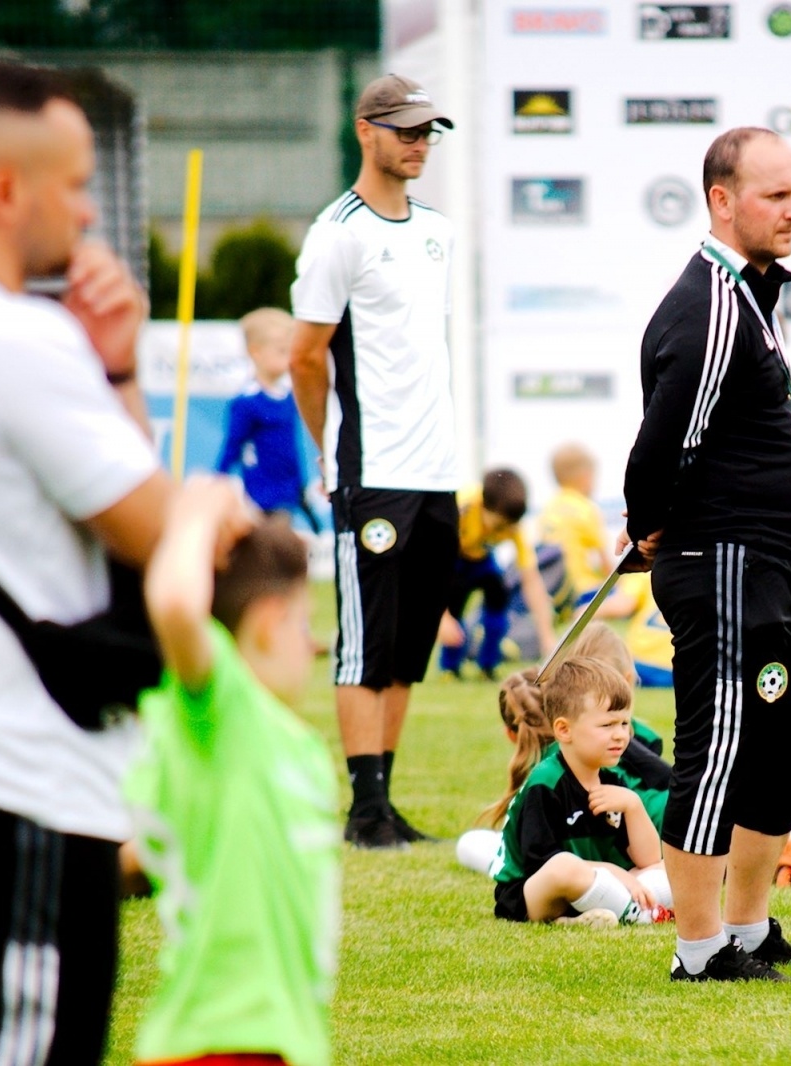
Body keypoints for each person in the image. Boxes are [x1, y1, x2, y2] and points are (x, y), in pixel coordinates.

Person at [0, 59, 170, 1064]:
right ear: (7, 190)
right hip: (25, 792)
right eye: (77, 185)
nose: (89, 215)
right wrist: (119, 368)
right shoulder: (16, 339)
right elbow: (162, 534)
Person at [621, 126, 791, 984]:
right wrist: (648, 521)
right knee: (719, 750)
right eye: (775, 195)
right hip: (724, 561)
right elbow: (661, 441)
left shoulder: (751, 298)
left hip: (771, 560)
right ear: (722, 200)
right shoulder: (710, 302)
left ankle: (746, 928)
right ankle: (699, 949)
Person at [290, 74, 459, 849]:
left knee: (408, 644)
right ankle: (364, 808)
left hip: (435, 473)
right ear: (366, 131)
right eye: (404, 130)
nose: (418, 142)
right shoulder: (338, 232)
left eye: (427, 131)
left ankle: (383, 804)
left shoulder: (439, 230)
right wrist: (331, 451)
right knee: (365, 642)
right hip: (372, 472)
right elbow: (306, 356)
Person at [126, 478, 339, 1066]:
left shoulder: (292, 745)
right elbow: (174, 605)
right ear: (270, 623)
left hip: (287, 1040)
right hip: (220, 1039)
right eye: (303, 623)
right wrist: (200, 509)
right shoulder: (222, 709)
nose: (309, 645)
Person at [488, 658, 673, 926]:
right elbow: (542, 864)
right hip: (534, 895)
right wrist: (614, 873)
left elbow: (648, 860)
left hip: (597, 886)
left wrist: (633, 805)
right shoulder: (545, 782)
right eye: (607, 725)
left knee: (674, 867)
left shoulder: (613, 779)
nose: (621, 735)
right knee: (565, 867)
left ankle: (587, 917)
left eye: (623, 724)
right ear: (564, 730)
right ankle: (641, 915)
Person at [440, 468, 559, 679]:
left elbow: (532, 581)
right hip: (450, 558)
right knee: (455, 604)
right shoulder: (460, 507)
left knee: (498, 599)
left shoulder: (514, 525)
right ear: (484, 507)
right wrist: (442, 616)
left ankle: (487, 665)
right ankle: (449, 667)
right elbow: (429, 562)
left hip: (483, 560)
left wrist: (546, 636)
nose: (503, 530)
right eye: (499, 525)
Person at [216, 307, 318, 530]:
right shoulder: (247, 402)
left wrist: (301, 488)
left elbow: (293, 448)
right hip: (260, 497)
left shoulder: (290, 398)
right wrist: (218, 482)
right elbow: (232, 447)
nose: (288, 357)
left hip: (288, 495)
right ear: (256, 352)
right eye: (281, 350)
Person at [539, 443, 614, 600]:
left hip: (556, 590)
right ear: (585, 476)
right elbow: (605, 562)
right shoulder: (585, 509)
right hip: (583, 591)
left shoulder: (548, 509)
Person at [599, 571, 674, 687]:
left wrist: (583, 611)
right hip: (679, 669)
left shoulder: (645, 571)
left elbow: (623, 606)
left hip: (642, 661)